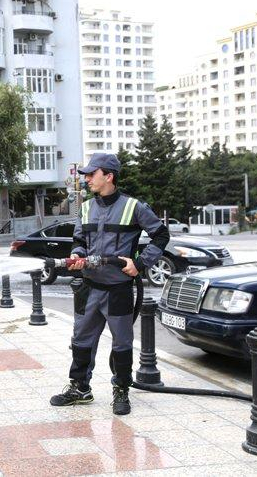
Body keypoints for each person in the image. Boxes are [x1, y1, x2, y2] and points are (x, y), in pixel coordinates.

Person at [49, 153, 169, 415]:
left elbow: (161, 235)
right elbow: (79, 241)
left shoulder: (133, 207)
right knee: (81, 340)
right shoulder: (85, 208)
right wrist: (78, 255)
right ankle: (80, 388)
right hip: (89, 287)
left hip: (118, 289)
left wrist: (140, 264)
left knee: (122, 343)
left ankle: (121, 390)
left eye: (92, 174)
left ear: (109, 176)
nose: (87, 179)